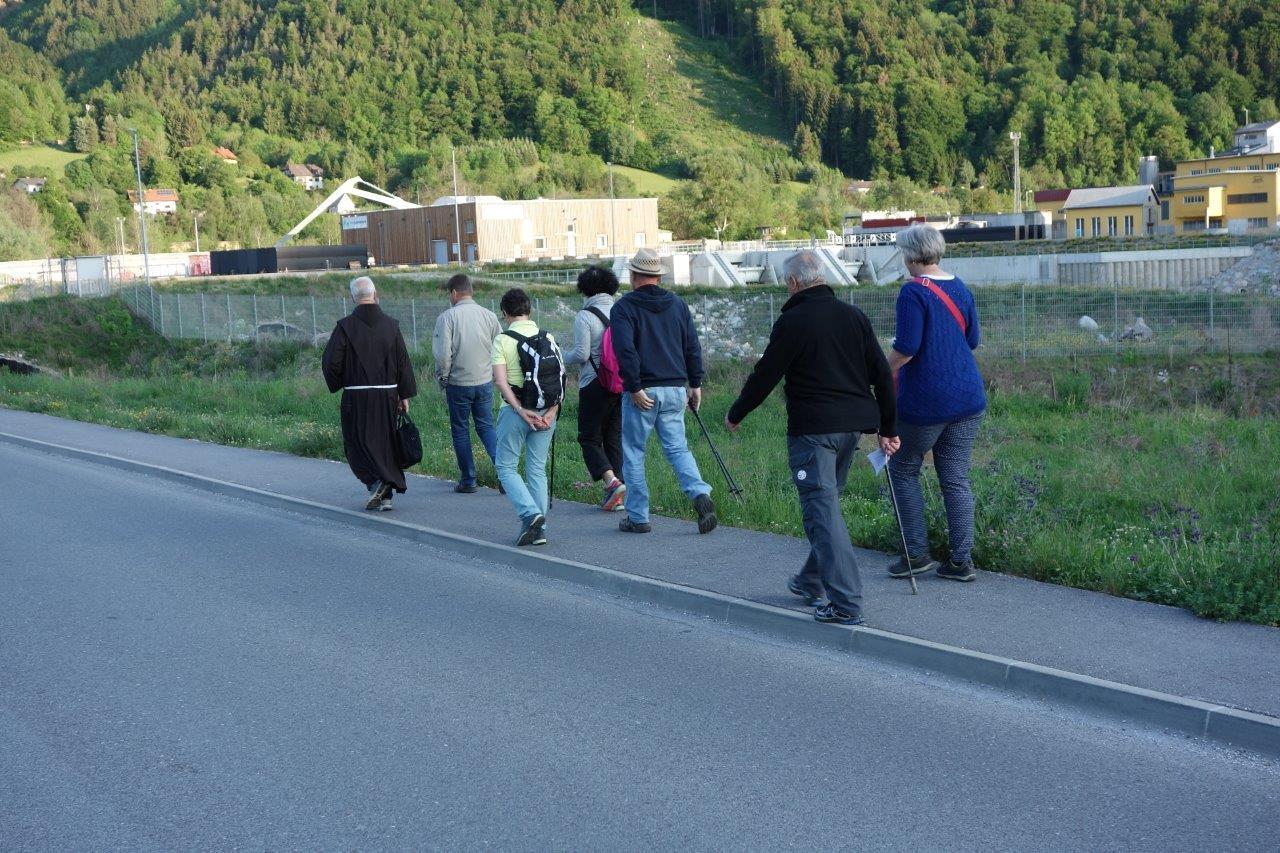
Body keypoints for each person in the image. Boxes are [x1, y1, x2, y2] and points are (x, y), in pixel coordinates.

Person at [726, 251, 898, 625]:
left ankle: (846, 603)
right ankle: (810, 580)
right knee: (827, 508)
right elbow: (883, 375)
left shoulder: (793, 321)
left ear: (793, 282)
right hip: (852, 430)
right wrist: (889, 429)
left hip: (815, 432)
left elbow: (766, 373)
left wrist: (736, 413)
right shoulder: (853, 316)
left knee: (821, 513)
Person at [886, 223, 987, 583]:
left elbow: (906, 349)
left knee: (902, 468)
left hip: (926, 403)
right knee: (956, 478)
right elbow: (972, 340)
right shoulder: (959, 287)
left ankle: (916, 554)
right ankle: (960, 561)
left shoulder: (912, 292)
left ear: (911, 255)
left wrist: (878, 371)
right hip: (968, 399)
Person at [610, 247, 716, 535]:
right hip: (675, 388)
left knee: (634, 452)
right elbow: (692, 346)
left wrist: (634, 386)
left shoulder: (624, 307)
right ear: (658, 276)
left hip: (643, 391)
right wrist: (695, 383)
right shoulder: (678, 305)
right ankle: (700, 494)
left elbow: (625, 350)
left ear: (634, 275)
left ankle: (638, 517)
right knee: (677, 448)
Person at [321, 276, 417, 511]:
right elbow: (402, 362)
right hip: (387, 396)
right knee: (386, 443)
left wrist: (343, 382)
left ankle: (375, 483)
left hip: (356, 397)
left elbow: (331, 362)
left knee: (356, 443)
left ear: (353, 298)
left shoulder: (345, 327)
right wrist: (404, 394)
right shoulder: (391, 326)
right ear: (375, 295)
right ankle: (386, 497)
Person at [491, 288, 563, 547]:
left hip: (516, 412)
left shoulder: (502, 340)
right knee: (536, 469)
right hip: (547, 412)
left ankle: (530, 514)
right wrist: (552, 411)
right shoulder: (548, 336)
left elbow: (501, 382)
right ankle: (539, 529)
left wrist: (520, 410)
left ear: (505, 313)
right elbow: (559, 377)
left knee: (505, 467)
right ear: (529, 309)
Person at [563, 266, 626, 511]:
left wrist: (560, 355)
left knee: (589, 437)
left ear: (586, 288)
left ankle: (611, 482)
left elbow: (582, 354)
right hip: (621, 383)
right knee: (613, 438)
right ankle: (618, 494)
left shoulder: (585, 315)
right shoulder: (622, 310)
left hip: (594, 383)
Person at [432, 273, 502, 493]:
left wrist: (443, 377)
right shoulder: (489, 316)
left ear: (454, 293)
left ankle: (468, 480)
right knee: (486, 426)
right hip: (484, 381)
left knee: (461, 430)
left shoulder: (447, 318)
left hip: (458, 383)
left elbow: (443, 355)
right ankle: (505, 475)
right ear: (470, 291)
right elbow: (499, 348)